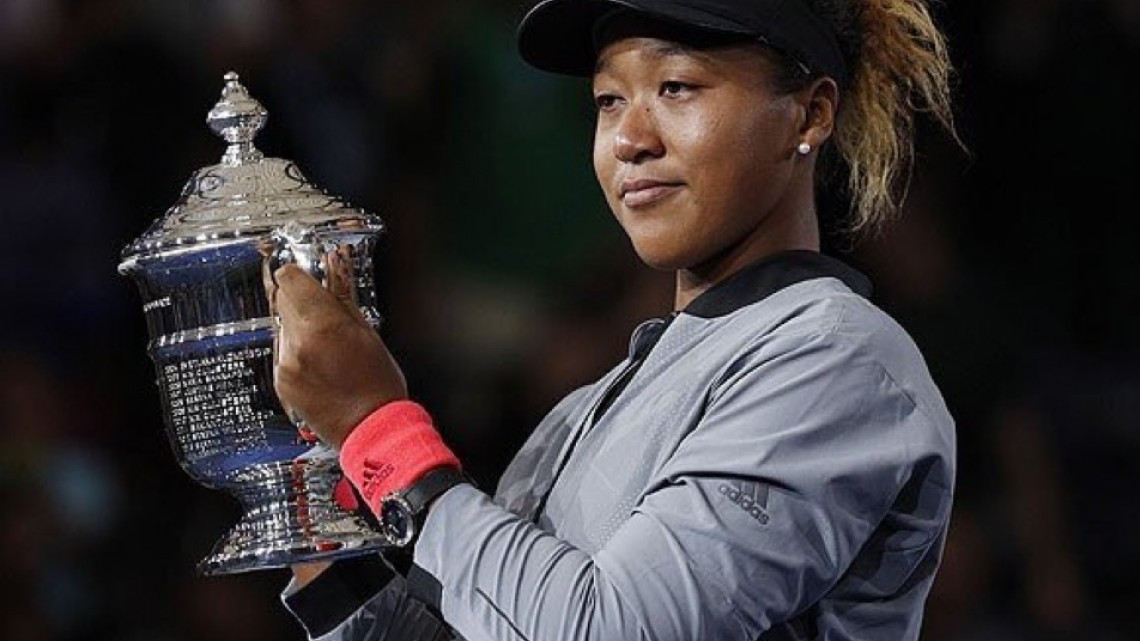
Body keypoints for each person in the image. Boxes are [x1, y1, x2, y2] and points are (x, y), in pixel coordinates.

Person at [268, 0, 958, 639]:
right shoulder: (579, 414)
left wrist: (380, 431)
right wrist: (329, 521)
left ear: (809, 114)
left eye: (677, 87)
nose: (629, 137)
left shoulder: (836, 360)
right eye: (608, 100)